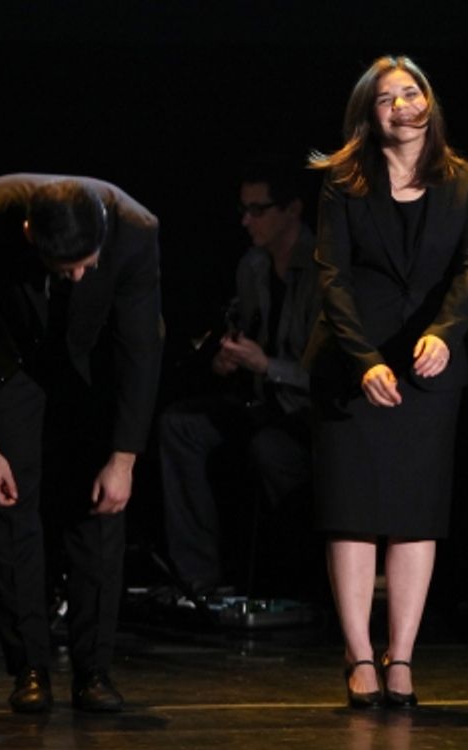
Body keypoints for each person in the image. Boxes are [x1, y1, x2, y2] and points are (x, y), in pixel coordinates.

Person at [0, 174, 164, 713]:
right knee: (10, 506)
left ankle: (94, 672)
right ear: (27, 234)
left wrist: (124, 458)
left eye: (89, 263)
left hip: (94, 367)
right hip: (12, 362)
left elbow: (140, 349)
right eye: (68, 269)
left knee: (100, 507)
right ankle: (30, 670)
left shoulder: (135, 230)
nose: (81, 275)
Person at [304, 55, 468, 709]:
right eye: (387, 98)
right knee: (352, 515)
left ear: (430, 104)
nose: (403, 104)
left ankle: (402, 655)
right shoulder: (342, 183)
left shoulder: (467, 183)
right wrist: (364, 359)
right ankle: (358, 655)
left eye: (413, 92)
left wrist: (445, 332)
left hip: (429, 368)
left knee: (416, 516)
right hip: (354, 367)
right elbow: (332, 277)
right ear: (369, 114)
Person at [158, 158, 319, 600]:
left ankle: (292, 582)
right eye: (243, 210)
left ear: (292, 210)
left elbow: (328, 373)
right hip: (263, 403)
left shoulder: (325, 272)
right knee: (181, 424)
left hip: (310, 415)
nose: (247, 221)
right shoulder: (252, 267)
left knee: (271, 449)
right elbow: (244, 332)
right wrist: (228, 360)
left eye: (259, 210)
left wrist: (265, 364)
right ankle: (200, 581)